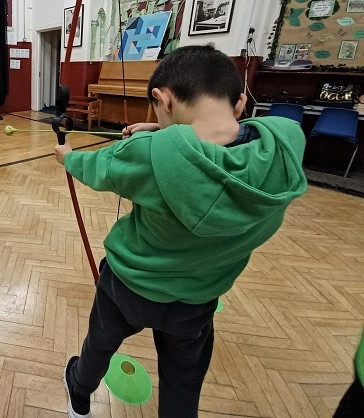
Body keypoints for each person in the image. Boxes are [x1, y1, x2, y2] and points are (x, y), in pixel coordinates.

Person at [54, 44, 308, 418]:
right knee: (184, 379)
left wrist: (67, 155)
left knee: (100, 344)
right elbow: (226, 135)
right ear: (239, 103)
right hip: (198, 299)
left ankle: (79, 391)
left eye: (158, 109)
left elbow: (94, 167)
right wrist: (162, 127)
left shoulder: (146, 154)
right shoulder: (286, 147)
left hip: (129, 287)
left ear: (163, 98)